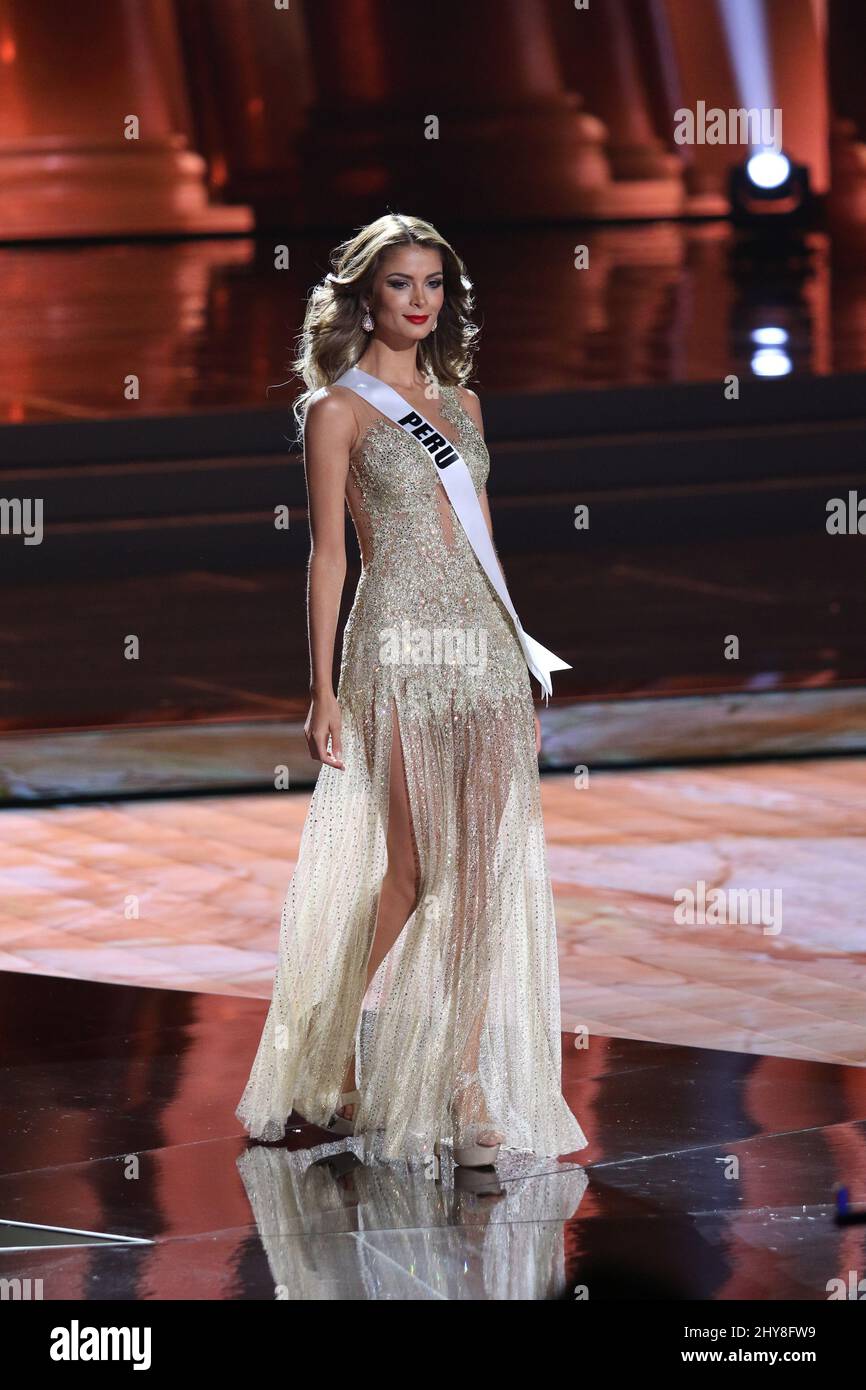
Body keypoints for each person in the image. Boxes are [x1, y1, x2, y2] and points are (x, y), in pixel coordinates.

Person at [235, 212, 588, 1168]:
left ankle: (466, 1082)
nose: (420, 301)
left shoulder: (465, 406)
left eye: (434, 283)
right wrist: (321, 692)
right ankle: (330, 1043)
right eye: (401, 284)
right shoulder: (337, 411)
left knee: (481, 873)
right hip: (394, 648)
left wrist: (515, 646)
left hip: (479, 646)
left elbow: (482, 541)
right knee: (413, 874)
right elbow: (327, 558)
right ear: (367, 294)